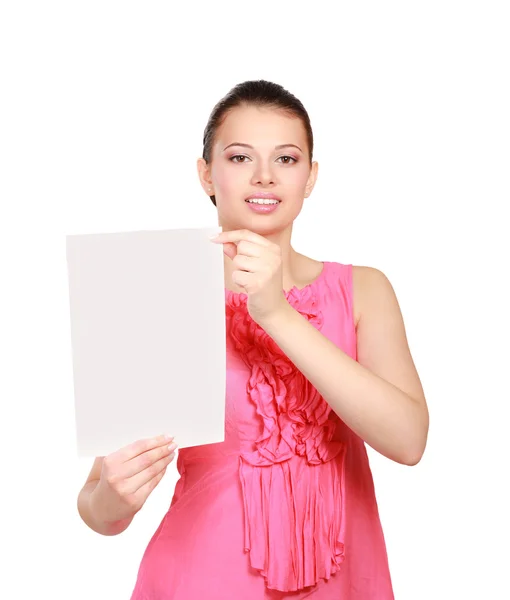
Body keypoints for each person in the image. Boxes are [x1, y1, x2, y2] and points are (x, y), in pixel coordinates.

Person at [77, 80, 429, 599]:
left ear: (310, 177)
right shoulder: (157, 292)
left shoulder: (364, 290)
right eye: (240, 157)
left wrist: (276, 313)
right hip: (199, 578)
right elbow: (98, 513)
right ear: (206, 175)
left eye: (286, 159)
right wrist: (116, 493)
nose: (264, 175)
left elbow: (409, 441)